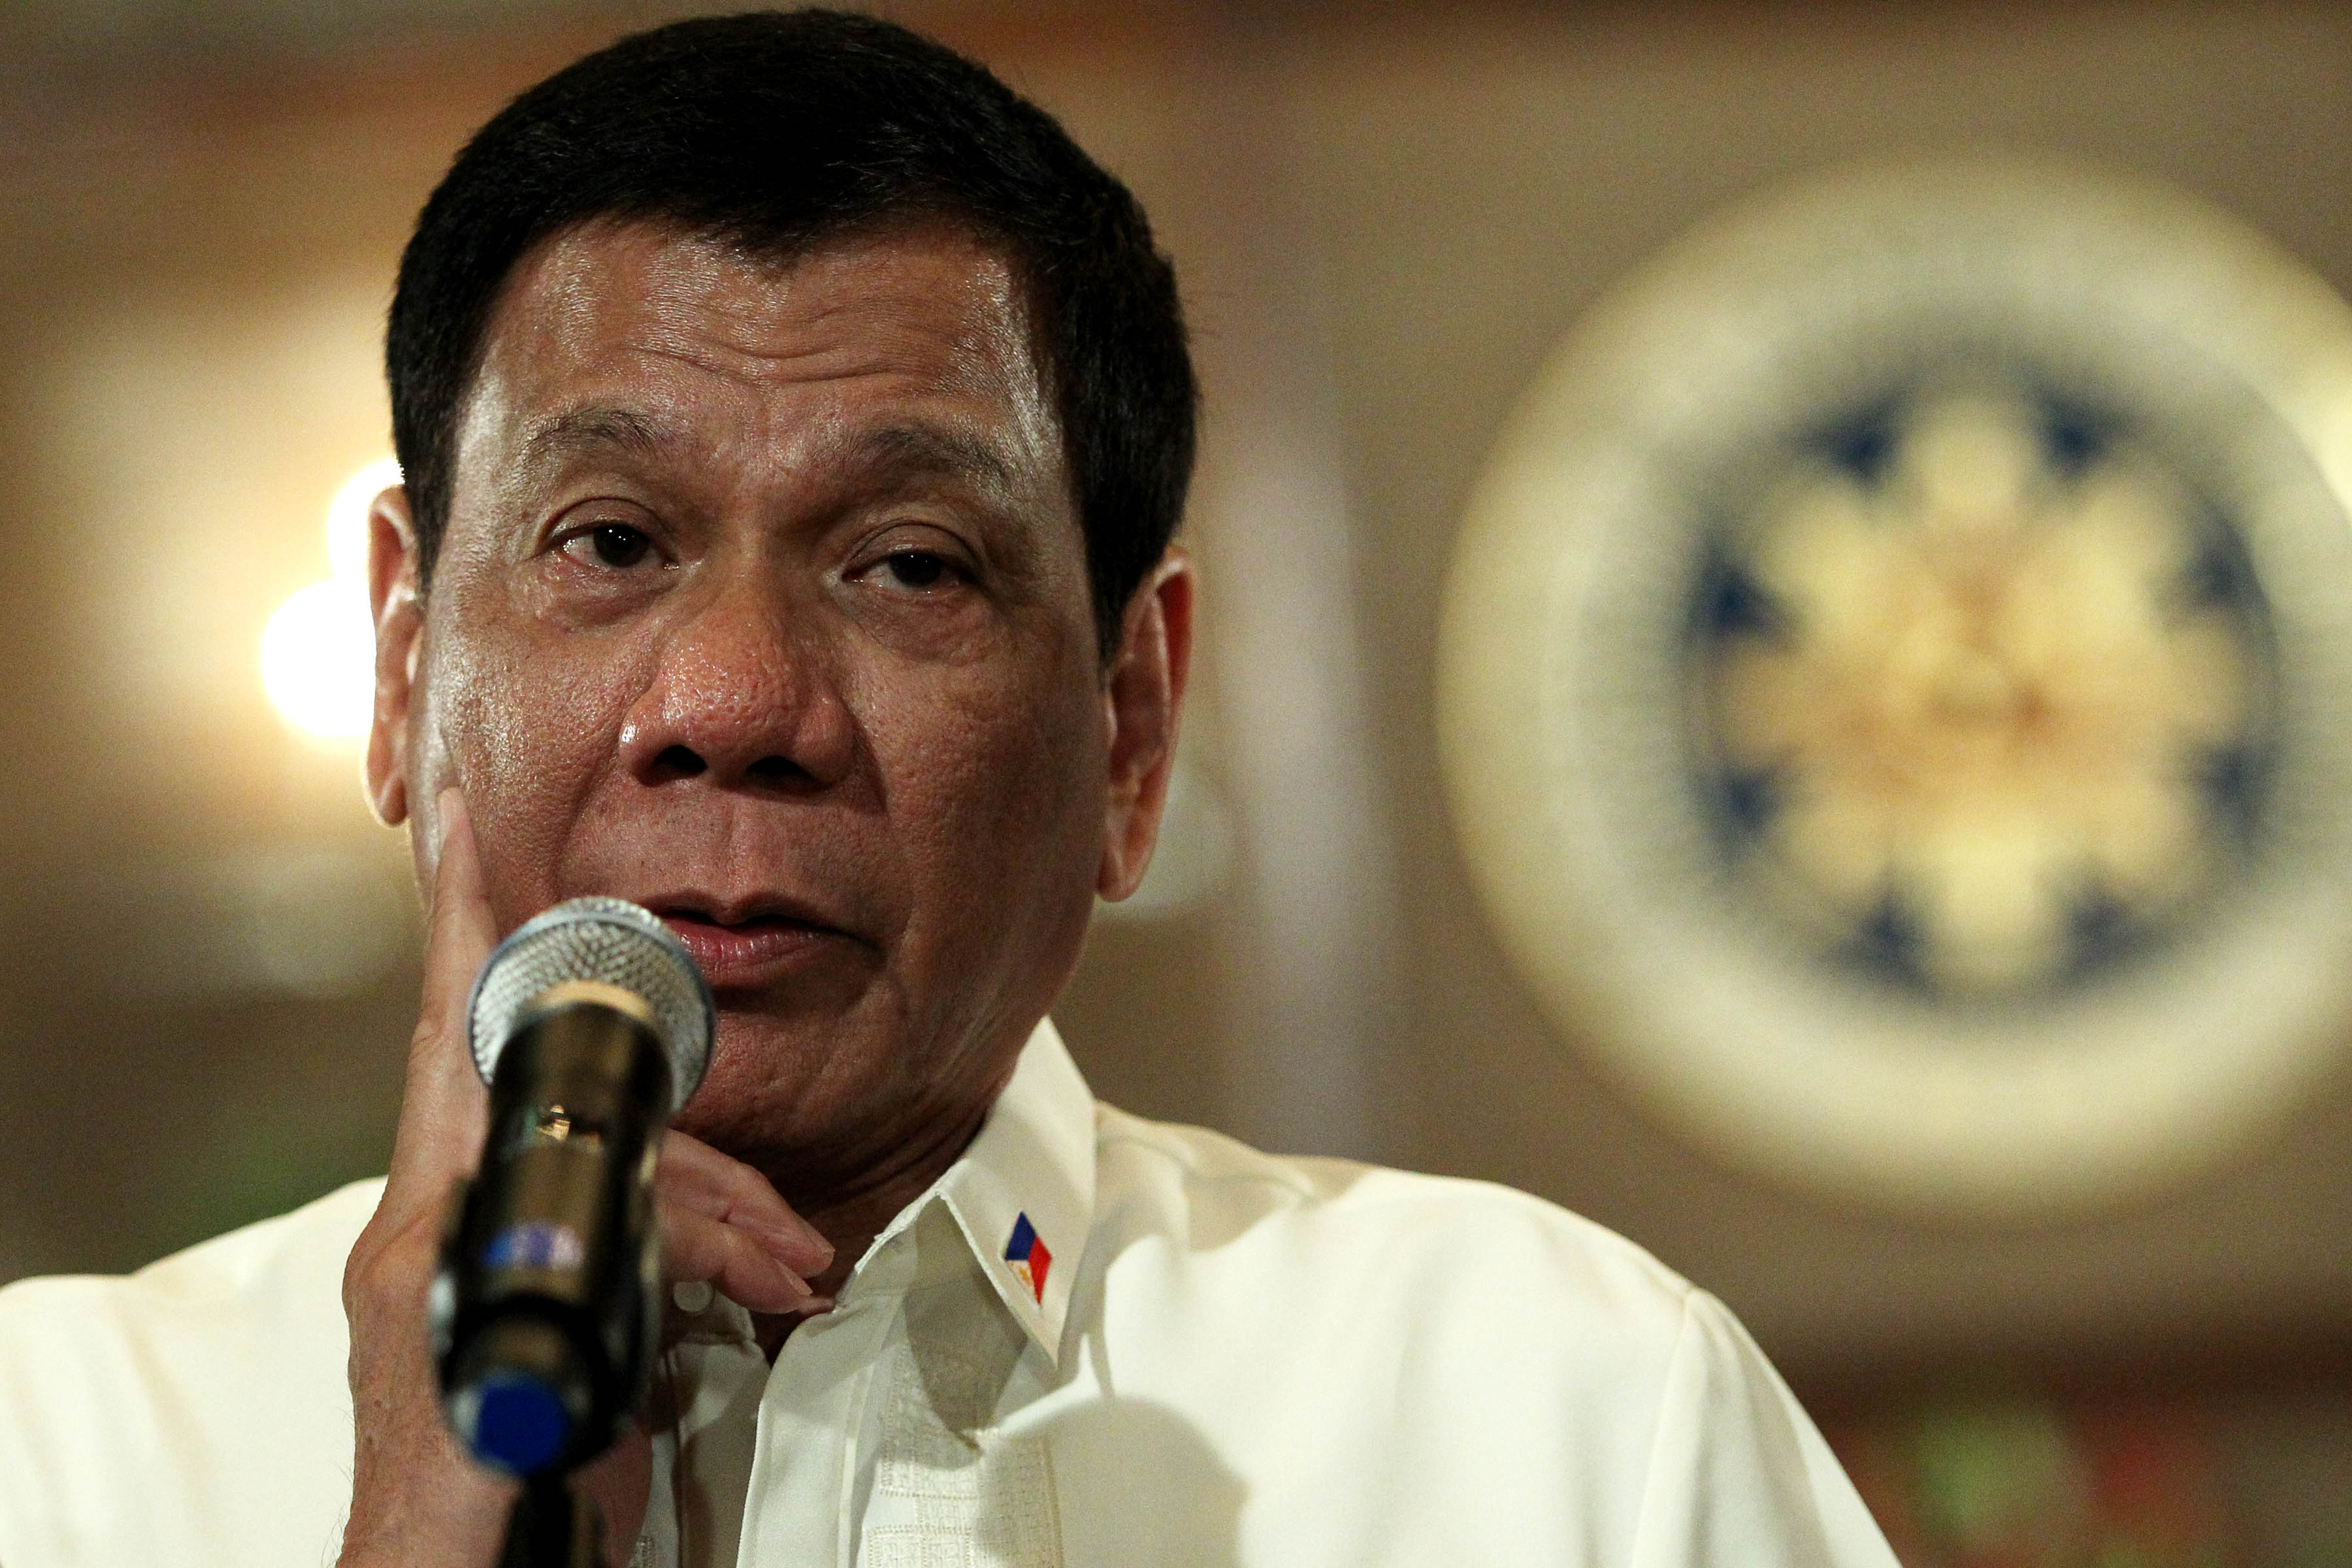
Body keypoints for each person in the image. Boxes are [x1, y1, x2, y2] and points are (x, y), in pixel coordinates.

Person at [0, 12, 1898, 1566]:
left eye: (909, 563)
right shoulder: (63, 1461)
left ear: (1131, 727)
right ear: (408, 665)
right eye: (608, 539)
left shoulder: (1556, 1421)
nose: (735, 702)